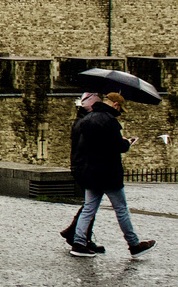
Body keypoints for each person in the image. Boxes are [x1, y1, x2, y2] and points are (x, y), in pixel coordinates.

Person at [69, 91, 155, 257]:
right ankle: (133, 244)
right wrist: (127, 142)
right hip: (109, 173)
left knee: (88, 209)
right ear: (116, 104)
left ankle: (79, 243)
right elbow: (118, 147)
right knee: (121, 209)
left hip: (91, 171)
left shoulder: (86, 120)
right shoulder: (110, 122)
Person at [60, 92, 105, 253]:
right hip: (85, 167)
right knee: (90, 205)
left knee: (90, 204)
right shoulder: (85, 123)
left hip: (81, 166)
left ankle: (79, 234)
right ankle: (78, 235)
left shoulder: (81, 121)